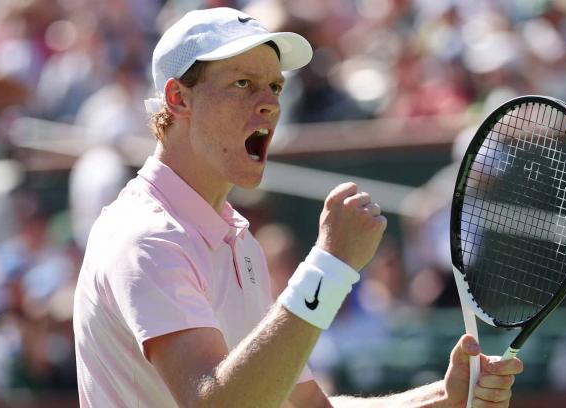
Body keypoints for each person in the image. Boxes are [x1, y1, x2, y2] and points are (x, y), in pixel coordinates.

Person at [73, 7, 523, 407]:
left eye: (274, 86)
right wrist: (329, 267)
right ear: (178, 98)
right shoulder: (147, 238)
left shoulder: (237, 240)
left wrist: (442, 399)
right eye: (242, 84)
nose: (269, 104)